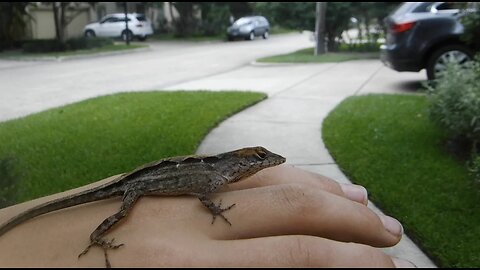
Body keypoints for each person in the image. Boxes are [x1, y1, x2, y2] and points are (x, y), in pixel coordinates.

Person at [0, 165, 415, 267]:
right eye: (257, 160)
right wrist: (214, 207)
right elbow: (201, 193)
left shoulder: (220, 173)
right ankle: (96, 239)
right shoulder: (216, 177)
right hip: (138, 186)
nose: (264, 165)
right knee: (123, 214)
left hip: (147, 180)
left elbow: (199, 187)